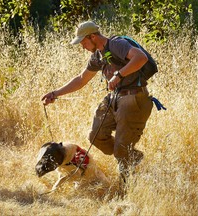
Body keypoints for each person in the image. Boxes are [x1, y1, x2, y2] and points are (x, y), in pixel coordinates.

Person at [41, 20, 154, 182]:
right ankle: (133, 156)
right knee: (96, 136)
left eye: (83, 42)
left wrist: (118, 75)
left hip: (134, 97)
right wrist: (55, 93)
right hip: (114, 97)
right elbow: (81, 79)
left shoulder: (116, 44)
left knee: (121, 150)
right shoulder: (97, 56)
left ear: (92, 37)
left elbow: (140, 58)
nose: (82, 47)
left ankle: (128, 187)